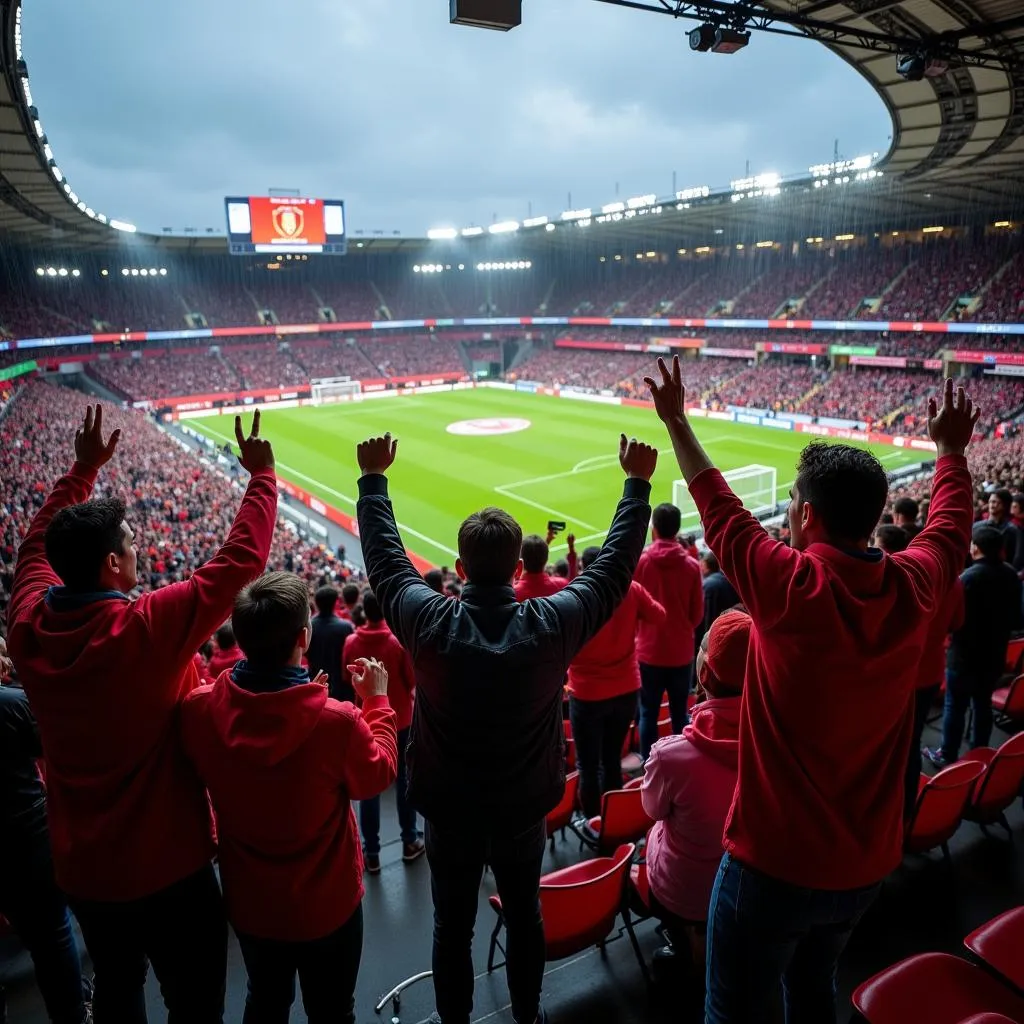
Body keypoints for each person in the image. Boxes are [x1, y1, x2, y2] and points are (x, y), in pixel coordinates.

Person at [644, 359, 976, 1024]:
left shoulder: (788, 589)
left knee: (732, 1010)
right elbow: (950, 526)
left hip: (772, 866)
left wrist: (677, 419)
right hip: (868, 864)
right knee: (813, 987)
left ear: (804, 514)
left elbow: (716, 505)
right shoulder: (917, 585)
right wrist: (951, 455)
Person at [355, 430, 657, 1024]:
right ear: (519, 569)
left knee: (450, 928)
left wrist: (372, 483)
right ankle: (526, 1016)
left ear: (460, 567)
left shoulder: (427, 620)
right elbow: (614, 571)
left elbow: (388, 566)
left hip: (450, 807)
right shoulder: (554, 622)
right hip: (523, 807)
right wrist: (636, 488)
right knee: (525, 917)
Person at [7, 406, 277, 1024]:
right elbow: (240, 562)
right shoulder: (144, 628)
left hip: (83, 867)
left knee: (118, 994)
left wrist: (81, 473)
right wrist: (261, 476)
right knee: (195, 1004)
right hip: (172, 865)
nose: (139, 549)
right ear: (111, 565)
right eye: (130, 543)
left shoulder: (25, 627)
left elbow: (31, 549)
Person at [180, 573, 398, 1024]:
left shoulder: (198, 710)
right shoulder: (337, 722)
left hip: (251, 902)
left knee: (265, 1001)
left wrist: (306, 696)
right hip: (329, 906)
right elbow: (376, 775)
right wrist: (376, 703)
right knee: (333, 1011)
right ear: (304, 636)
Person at [641, 609, 750, 987]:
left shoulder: (670, 754)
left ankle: (685, 946)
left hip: (681, 894)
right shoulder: (781, 744)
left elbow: (652, 810)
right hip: (750, 889)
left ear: (704, 675)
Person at [0, 678, 91, 1024]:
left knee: (36, 931)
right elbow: (49, 744)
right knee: (53, 933)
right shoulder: (11, 702)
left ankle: (75, 998)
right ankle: (73, 1014)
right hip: (28, 833)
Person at [567, 546, 665, 818]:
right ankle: (612, 821)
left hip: (586, 694)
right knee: (611, 759)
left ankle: (593, 821)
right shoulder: (629, 589)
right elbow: (659, 615)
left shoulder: (573, 595)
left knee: (588, 766)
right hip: (625, 690)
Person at [873, 524, 963, 817]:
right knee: (910, 744)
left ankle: (888, 819)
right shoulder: (951, 580)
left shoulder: (885, 584)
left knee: (888, 749)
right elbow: (956, 623)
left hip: (896, 679)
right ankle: (905, 814)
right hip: (930, 673)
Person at [924, 524, 1023, 768]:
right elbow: (1016, 618)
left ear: (975, 548)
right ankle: (979, 752)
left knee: (955, 707)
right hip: (994, 654)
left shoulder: (966, 579)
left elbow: (951, 621)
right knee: (982, 705)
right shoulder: (1010, 574)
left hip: (964, 657)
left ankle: (947, 753)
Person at [342, 590, 423, 873]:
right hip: (400, 720)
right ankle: (410, 840)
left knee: (369, 788)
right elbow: (411, 680)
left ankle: (372, 852)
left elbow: (346, 675)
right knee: (404, 781)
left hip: (367, 719)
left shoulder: (351, 641)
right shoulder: (396, 642)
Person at [634, 502, 704, 759]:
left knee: (648, 713)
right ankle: (681, 766)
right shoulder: (692, 566)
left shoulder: (641, 564)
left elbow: (634, 609)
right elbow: (697, 615)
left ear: (654, 529)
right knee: (679, 714)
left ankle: (647, 767)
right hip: (680, 653)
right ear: (676, 530)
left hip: (648, 652)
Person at [307, 584, 355, 702]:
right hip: (340, 685)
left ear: (316, 603)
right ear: (335, 603)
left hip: (315, 680)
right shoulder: (346, 627)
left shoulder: (309, 626)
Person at [695, 549, 739, 648]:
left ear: (707, 566)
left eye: (702, 565)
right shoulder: (727, 579)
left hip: (714, 639)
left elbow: (707, 617)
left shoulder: (709, 585)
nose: (700, 568)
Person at [513, 534, 575, 600]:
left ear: (521, 561)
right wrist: (571, 548)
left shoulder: (514, 593)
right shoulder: (562, 586)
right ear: (547, 558)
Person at [986, 488, 1024, 570]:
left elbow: (1017, 558)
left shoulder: (1013, 530)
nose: (991, 505)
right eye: (990, 502)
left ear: (1004, 505)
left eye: (995, 502)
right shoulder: (978, 527)